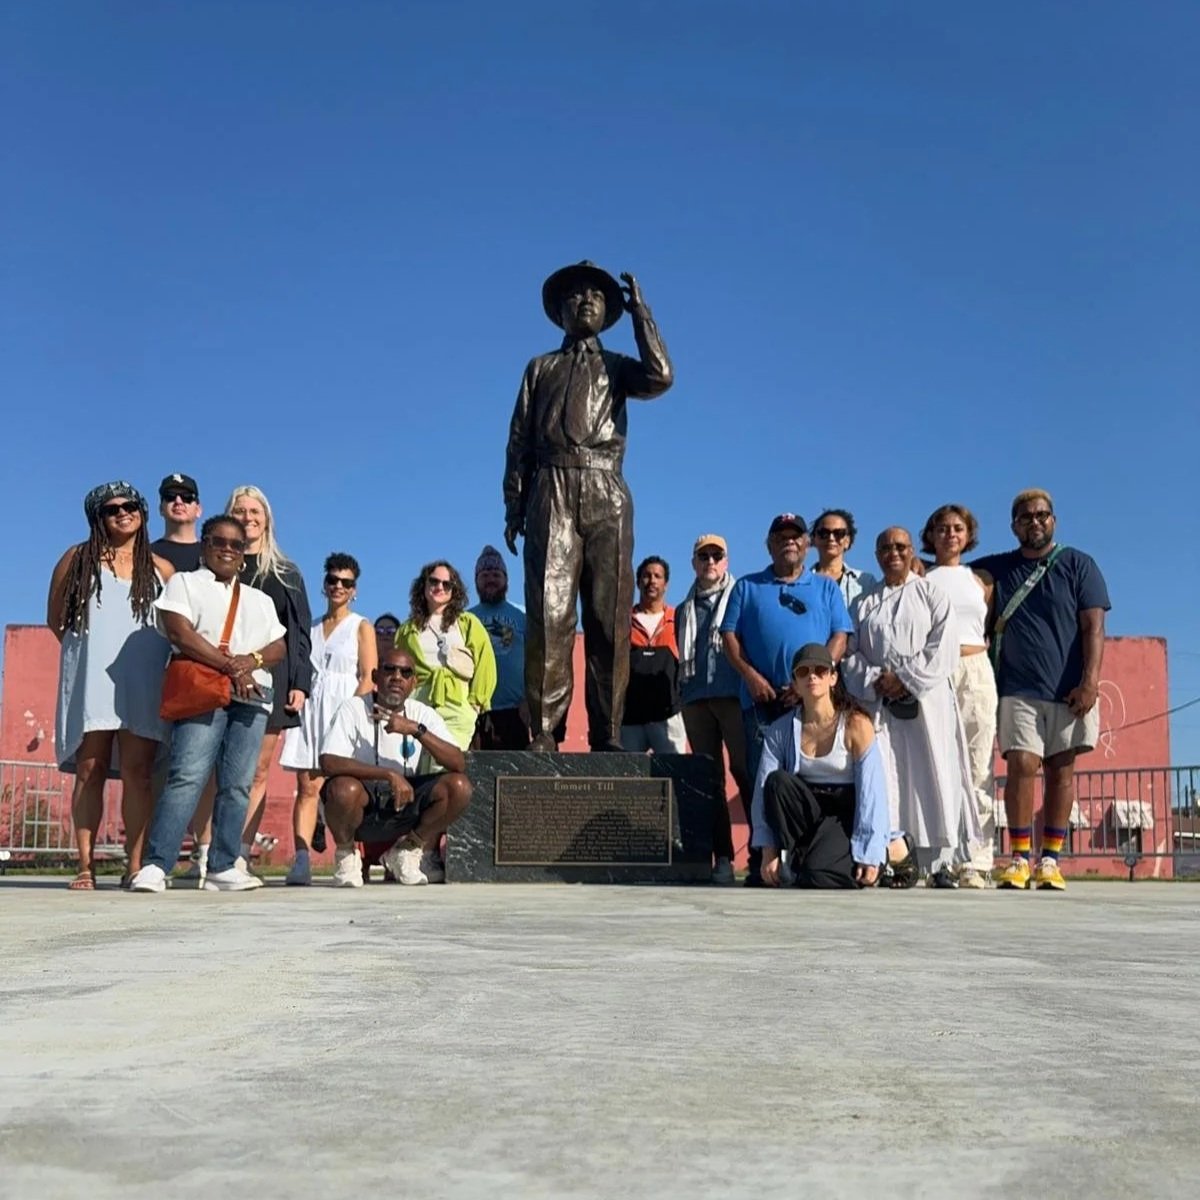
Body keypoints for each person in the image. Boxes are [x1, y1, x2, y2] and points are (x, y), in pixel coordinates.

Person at [503, 260, 673, 751]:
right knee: (550, 616)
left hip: (606, 488)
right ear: (559, 311)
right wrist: (515, 504)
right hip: (551, 487)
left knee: (609, 618)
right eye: (575, 296)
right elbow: (518, 441)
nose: (586, 302)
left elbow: (661, 376)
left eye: (596, 297)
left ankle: (609, 731)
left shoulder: (618, 367)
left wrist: (642, 315)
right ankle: (545, 731)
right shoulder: (541, 368)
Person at [129, 516, 287, 892]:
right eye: (220, 541)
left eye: (236, 544)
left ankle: (223, 865)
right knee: (187, 776)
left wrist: (251, 663)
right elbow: (179, 631)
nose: (228, 549)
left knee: (237, 785)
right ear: (205, 545)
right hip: (204, 691)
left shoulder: (259, 599)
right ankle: (156, 864)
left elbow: (279, 646)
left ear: (244, 555)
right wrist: (232, 665)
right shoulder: (184, 583)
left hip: (251, 696)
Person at [973, 489, 1110, 892]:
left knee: (1061, 770)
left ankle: (1049, 859)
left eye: (1042, 515)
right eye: (1026, 517)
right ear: (1014, 525)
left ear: (1054, 520)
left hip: (1068, 689)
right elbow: (951, 574)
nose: (1035, 522)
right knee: (1020, 766)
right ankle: (1018, 856)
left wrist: (1090, 682)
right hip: (1018, 688)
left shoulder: (1078, 565)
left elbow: (1094, 628)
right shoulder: (998, 567)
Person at [47, 481, 174, 890]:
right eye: (110, 508)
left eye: (130, 504)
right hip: (93, 675)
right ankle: (85, 865)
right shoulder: (77, 558)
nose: (122, 512)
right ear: (96, 517)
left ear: (142, 511)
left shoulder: (161, 569)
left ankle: (135, 865)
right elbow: (56, 620)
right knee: (91, 767)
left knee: (138, 772)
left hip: (144, 676)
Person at [720, 512, 853, 882]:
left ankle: (800, 855)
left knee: (805, 779)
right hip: (762, 701)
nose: (788, 542)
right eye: (781, 536)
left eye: (796, 536)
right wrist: (750, 676)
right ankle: (765, 858)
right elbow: (730, 637)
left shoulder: (826, 588)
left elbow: (840, 636)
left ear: (807, 544)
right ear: (769, 544)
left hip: (811, 701)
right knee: (760, 779)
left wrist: (810, 680)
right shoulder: (746, 586)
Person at [841, 528, 978, 885]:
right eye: (885, 547)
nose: (893, 554)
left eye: (900, 547)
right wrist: (876, 680)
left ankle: (939, 865)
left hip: (927, 703)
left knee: (935, 777)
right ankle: (893, 858)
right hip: (881, 708)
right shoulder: (863, 604)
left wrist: (906, 679)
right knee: (885, 779)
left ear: (912, 550)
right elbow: (850, 655)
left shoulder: (932, 594)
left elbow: (943, 648)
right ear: (876, 554)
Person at [319, 647, 472, 887]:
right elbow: (329, 762)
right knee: (342, 789)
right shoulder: (353, 708)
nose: (397, 677)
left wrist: (415, 730)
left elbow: (457, 762)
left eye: (405, 672)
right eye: (389, 669)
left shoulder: (423, 714)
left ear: (414, 682)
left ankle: (407, 851)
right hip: (364, 807)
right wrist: (388, 775)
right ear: (375, 676)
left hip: (404, 805)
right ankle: (346, 856)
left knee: (459, 787)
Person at [752, 645, 892, 888]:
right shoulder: (780, 730)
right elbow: (762, 791)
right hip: (809, 812)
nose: (812, 676)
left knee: (816, 875)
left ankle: (895, 850)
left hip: (844, 814)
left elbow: (872, 793)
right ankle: (807, 860)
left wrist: (870, 852)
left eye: (820, 670)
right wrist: (768, 850)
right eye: (803, 672)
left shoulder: (856, 724)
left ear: (833, 678)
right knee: (777, 782)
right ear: (795, 683)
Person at [225, 485, 312, 864]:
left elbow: (300, 634)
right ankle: (212, 851)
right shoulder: (217, 564)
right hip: (223, 674)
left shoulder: (286, 573)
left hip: (273, 681)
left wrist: (300, 684)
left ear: (266, 519)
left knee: (257, 770)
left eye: (254, 511)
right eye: (240, 511)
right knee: (218, 768)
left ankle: (240, 853)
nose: (248, 517)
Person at [279, 553, 377, 886]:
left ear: (355, 590)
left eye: (346, 582)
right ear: (324, 585)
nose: (338, 586)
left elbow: (367, 677)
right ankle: (302, 858)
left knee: (341, 790)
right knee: (307, 788)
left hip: (343, 713)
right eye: (333, 580)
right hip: (311, 708)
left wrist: (350, 718)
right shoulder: (312, 627)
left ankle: (348, 857)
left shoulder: (361, 626)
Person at [923, 503, 998, 888]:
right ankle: (943, 858)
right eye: (942, 528)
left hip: (976, 668)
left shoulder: (981, 579)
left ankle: (980, 857)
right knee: (939, 763)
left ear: (968, 535)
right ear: (931, 535)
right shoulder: (922, 577)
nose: (950, 534)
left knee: (978, 762)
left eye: (957, 528)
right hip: (937, 670)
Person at [677, 534, 746, 886]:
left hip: (732, 696)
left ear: (726, 561)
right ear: (694, 563)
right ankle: (723, 856)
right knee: (710, 779)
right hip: (696, 700)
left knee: (745, 771)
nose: (710, 563)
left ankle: (766, 852)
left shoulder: (740, 597)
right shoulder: (683, 609)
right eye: (703, 556)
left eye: (716, 556)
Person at [395, 561, 497, 751]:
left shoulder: (468, 623)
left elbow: (485, 664)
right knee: (417, 767)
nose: (439, 587)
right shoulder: (407, 630)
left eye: (446, 584)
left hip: (456, 704)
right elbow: (398, 669)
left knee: (446, 764)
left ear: (454, 590)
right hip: (418, 704)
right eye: (433, 581)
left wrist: (475, 704)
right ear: (423, 586)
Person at [620, 556, 687, 754]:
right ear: (639, 581)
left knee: (674, 775)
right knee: (628, 779)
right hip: (630, 717)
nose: (652, 581)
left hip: (669, 716)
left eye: (658, 576)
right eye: (647, 576)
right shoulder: (624, 621)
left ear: (666, 584)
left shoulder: (678, 618)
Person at [469, 545, 530, 750]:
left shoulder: (522, 615)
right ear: (476, 581)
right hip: (476, 711)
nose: (491, 579)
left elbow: (537, 661)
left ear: (506, 580)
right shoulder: (465, 619)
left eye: (496, 574)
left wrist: (529, 701)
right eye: (485, 575)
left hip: (515, 711)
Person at [810, 509, 877, 617]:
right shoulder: (800, 581)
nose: (831, 538)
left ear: (847, 541)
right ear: (814, 539)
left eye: (839, 533)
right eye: (824, 533)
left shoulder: (866, 582)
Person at [150, 473, 203, 572]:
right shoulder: (146, 555)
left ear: (198, 510)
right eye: (170, 496)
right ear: (161, 509)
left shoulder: (211, 555)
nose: (178, 501)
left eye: (187, 497)